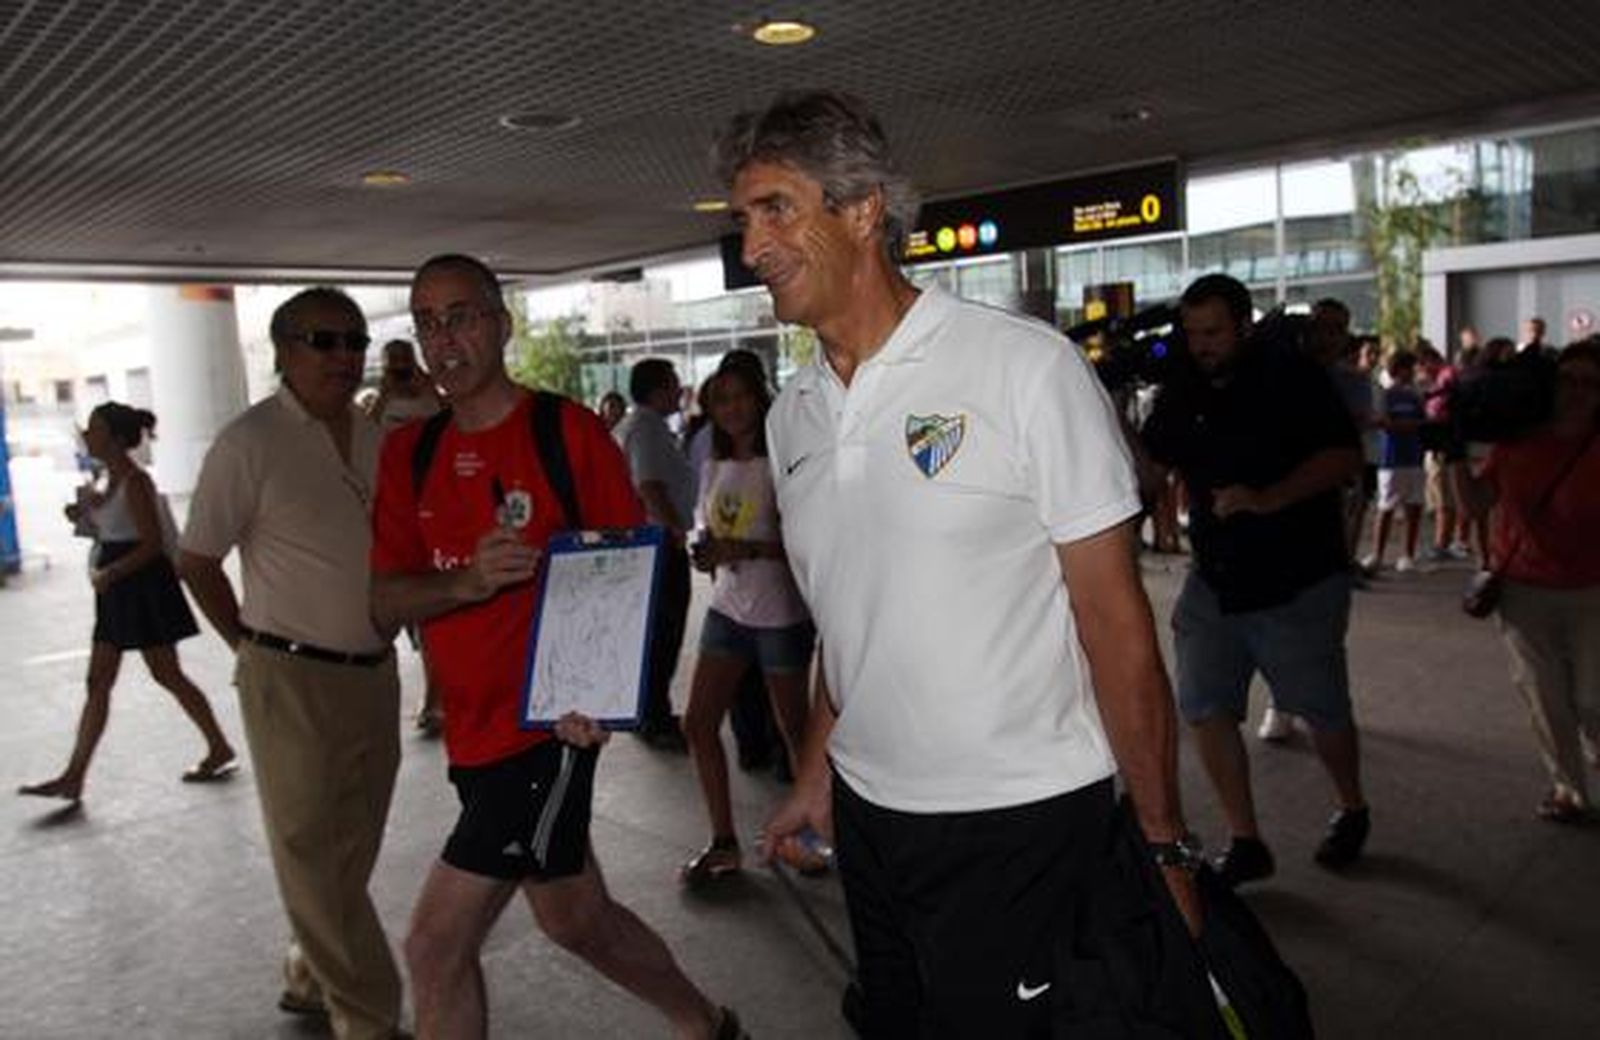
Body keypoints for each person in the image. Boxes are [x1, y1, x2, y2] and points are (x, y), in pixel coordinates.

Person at [719, 90, 1197, 1035]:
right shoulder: (792, 415)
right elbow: (853, 624)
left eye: (776, 208)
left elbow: (1117, 627)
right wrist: (816, 772)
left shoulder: (1022, 368)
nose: (751, 246)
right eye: (742, 219)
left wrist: (1164, 845)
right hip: (870, 819)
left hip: (1021, 819)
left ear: (863, 211)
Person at [369, 254, 744, 1040]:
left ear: (501, 324)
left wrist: (607, 696)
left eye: (462, 316)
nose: (444, 339)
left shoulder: (561, 431)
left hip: (545, 735)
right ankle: (706, 1025)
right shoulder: (411, 455)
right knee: (576, 920)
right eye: (427, 322)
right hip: (472, 737)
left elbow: (636, 569)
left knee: (434, 946)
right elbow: (383, 601)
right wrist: (465, 583)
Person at [179, 288, 404, 1039]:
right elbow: (198, 558)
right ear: (282, 351)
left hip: (373, 671)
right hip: (291, 676)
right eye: (323, 340)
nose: (344, 355)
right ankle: (368, 1017)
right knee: (311, 852)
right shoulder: (249, 442)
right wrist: (248, 644)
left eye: (354, 341)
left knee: (353, 843)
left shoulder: (375, 436)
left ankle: (309, 972)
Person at [1140, 272, 1370, 887]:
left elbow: (1344, 457)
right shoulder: (1182, 388)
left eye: (1212, 332)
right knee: (1205, 707)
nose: (1201, 345)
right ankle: (1247, 839)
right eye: (1191, 333)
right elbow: (1148, 472)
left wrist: (1268, 498)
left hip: (1298, 580)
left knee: (1321, 711)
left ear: (1244, 324)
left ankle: (1351, 806)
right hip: (1214, 581)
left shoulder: (1290, 377)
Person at [19, 402, 235, 804]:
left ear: (116, 439)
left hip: (139, 589)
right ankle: (74, 775)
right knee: (102, 680)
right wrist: (83, 515)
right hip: (121, 591)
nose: (87, 434)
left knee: (165, 674)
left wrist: (110, 574)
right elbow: (115, 531)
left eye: (96, 428)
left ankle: (219, 747)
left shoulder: (136, 482)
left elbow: (151, 544)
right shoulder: (108, 479)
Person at [679, 362, 817, 884]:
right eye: (721, 400)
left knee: (797, 732)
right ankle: (722, 841)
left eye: (740, 397)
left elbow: (808, 544)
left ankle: (812, 834)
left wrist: (749, 548)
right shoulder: (713, 462)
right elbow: (706, 525)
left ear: (759, 400)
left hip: (780, 613)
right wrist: (707, 551)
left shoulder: (782, 461)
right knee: (698, 723)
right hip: (728, 608)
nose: (732, 408)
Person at [1468, 339, 1600, 822]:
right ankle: (1568, 789)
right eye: (1568, 380)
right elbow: (1478, 504)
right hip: (1525, 590)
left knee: (1591, 699)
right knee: (1547, 699)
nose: (1578, 391)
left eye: (1590, 383)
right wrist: (1454, 455)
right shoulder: (1519, 441)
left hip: (1592, 589)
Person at [613, 358, 697, 749]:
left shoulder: (640, 424)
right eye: (674, 383)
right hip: (659, 544)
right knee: (662, 634)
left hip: (647, 543)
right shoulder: (645, 427)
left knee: (654, 634)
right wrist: (675, 530)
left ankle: (650, 710)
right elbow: (649, 486)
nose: (680, 389)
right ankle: (654, 717)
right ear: (657, 389)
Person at [367, 337, 447, 736]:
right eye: (391, 360)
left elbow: (453, 422)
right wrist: (384, 396)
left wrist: (428, 386)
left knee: (429, 614)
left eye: (404, 358)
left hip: (433, 500)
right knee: (385, 610)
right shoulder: (376, 400)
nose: (399, 366)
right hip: (391, 505)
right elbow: (364, 440)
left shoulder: (432, 390)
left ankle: (435, 699)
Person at [1362, 350, 1426, 574]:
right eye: (1410, 368)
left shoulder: (1416, 396)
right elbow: (1383, 422)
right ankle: (1377, 554)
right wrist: (1403, 426)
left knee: (1414, 507)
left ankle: (1408, 554)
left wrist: (1406, 425)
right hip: (1391, 457)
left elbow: (1422, 421)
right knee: (1386, 507)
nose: (1413, 373)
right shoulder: (1386, 395)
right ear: (1400, 370)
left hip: (1414, 457)